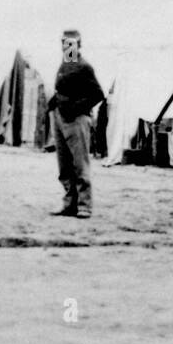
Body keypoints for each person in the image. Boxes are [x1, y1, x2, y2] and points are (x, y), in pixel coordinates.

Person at [47, 27, 105, 218]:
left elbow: (97, 95)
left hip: (77, 120)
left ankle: (84, 205)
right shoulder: (65, 64)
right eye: (64, 43)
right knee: (64, 165)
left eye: (71, 43)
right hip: (60, 118)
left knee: (80, 164)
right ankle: (69, 203)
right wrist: (55, 103)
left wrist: (75, 108)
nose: (67, 47)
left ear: (79, 45)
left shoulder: (84, 66)